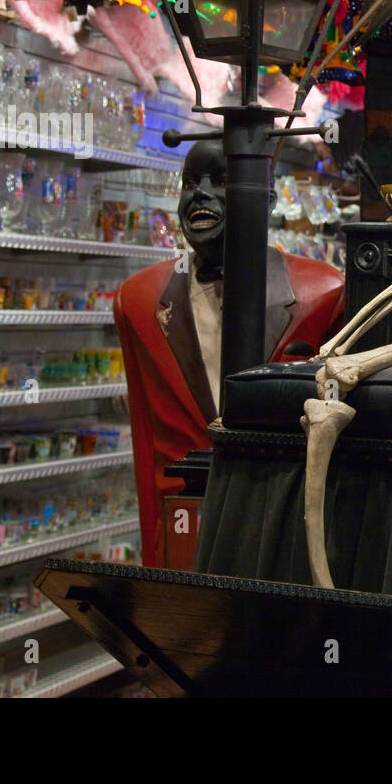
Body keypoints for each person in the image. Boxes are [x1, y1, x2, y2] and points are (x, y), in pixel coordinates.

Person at [115, 141, 346, 567]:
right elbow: (147, 445)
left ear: (268, 199)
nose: (200, 194)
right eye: (190, 182)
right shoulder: (138, 302)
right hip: (182, 531)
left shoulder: (325, 292)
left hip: (283, 529)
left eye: (221, 181)